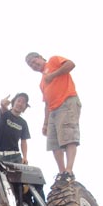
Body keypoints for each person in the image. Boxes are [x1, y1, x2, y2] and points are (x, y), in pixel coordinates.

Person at [25, 52, 81, 188]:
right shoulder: (42, 83)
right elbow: (47, 103)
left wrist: (53, 75)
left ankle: (69, 170)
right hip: (53, 110)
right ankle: (62, 173)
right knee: (53, 142)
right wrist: (45, 123)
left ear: (40, 57)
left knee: (68, 135)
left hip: (66, 102)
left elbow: (71, 64)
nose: (34, 65)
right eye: (31, 64)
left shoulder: (53, 61)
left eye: (34, 61)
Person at [0, 92, 31, 164]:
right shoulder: (5, 113)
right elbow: (3, 108)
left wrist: (25, 157)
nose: (20, 104)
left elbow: (23, 141)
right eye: (19, 101)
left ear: (25, 107)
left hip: (15, 156)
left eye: (23, 102)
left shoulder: (23, 123)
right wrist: (2, 104)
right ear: (13, 102)